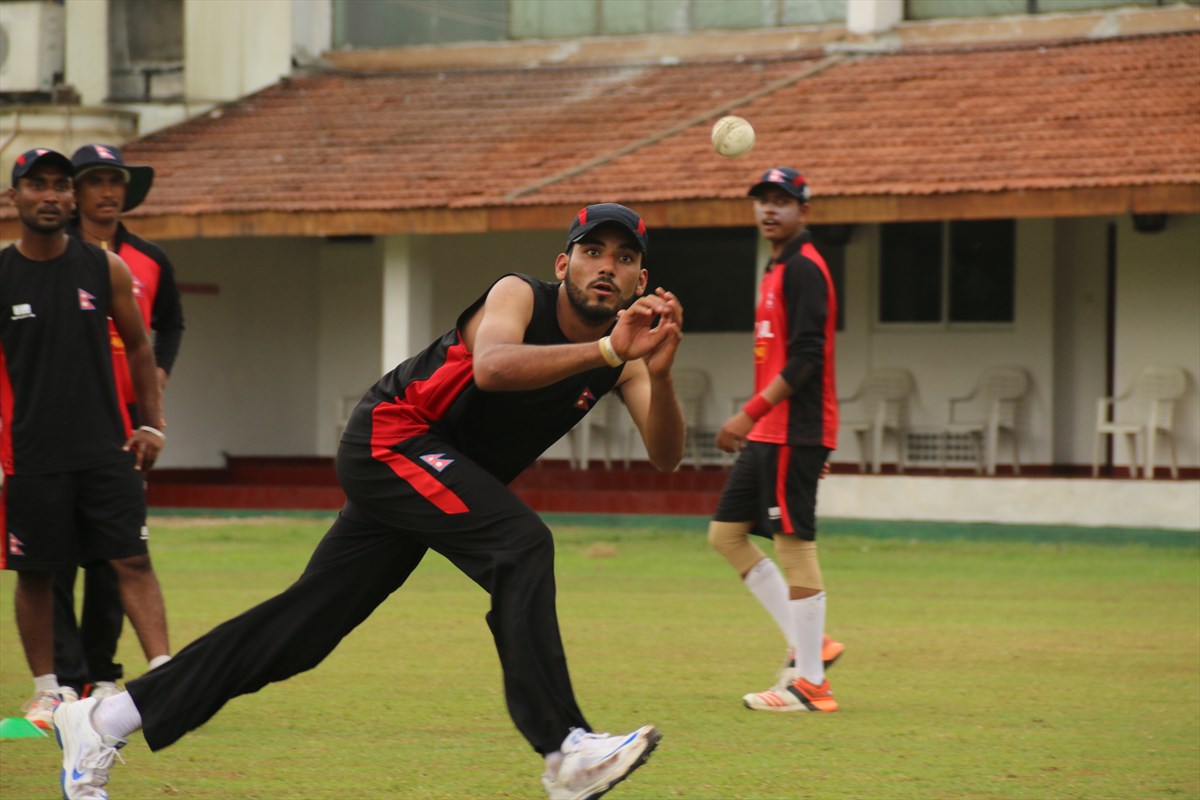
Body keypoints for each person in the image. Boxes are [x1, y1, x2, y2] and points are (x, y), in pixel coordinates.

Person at [55, 202, 686, 800]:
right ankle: (563, 747)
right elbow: (492, 366)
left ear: (640, 280)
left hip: (436, 475)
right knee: (520, 544)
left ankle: (104, 719)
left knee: (301, 632)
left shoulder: (624, 360)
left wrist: (658, 376)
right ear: (563, 263)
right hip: (394, 439)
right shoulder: (518, 294)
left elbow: (665, 456)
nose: (606, 267)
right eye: (592, 251)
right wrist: (608, 349)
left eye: (624, 258)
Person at [1, 148, 172, 731]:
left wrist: (152, 423)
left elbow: (142, 346)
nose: (49, 195)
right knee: (37, 572)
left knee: (132, 560)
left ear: (70, 199)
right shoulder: (2, 274)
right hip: (30, 453)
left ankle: (165, 678)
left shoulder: (105, 267)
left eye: (59, 185)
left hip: (107, 447)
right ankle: (48, 693)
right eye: (36, 185)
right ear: (15, 196)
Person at [52, 143, 185, 704]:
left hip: (125, 423)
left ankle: (102, 671)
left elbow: (170, 323)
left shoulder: (150, 258)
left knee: (118, 547)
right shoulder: (51, 254)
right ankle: (64, 678)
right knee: (55, 553)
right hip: (58, 416)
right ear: (75, 192)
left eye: (116, 181)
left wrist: (157, 374)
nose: (107, 191)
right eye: (95, 181)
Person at [707, 167, 843, 713]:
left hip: (791, 428)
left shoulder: (804, 268)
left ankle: (810, 684)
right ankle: (815, 646)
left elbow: (808, 358)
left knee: (794, 545)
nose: (769, 209)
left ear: (803, 210)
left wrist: (749, 414)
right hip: (775, 431)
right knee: (726, 535)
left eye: (782, 200)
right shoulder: (775, 266)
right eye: (762, 199)